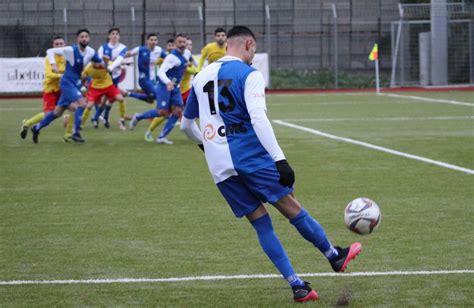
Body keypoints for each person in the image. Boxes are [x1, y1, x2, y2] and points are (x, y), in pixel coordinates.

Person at [180, 26, 361, 302]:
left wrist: (206, 146)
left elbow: (185, 125)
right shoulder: (249, 74)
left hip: (218, 164)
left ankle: (297, 285)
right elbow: (259, 119)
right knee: (290, 205)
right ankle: (334, 256)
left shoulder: (200, 76)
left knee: (261, 224)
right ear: (249, 44)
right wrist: (280, 159)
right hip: (249, 156)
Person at [30, 29, 104, 143]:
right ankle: (76, 132)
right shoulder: (70, 50)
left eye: (86, 36)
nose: (84, 38)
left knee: (57, 112)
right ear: (78, 39)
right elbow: (50, 51)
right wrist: (53, 65)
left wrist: (117, 64)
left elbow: (102, 63)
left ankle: (36, 128)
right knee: (82, 103)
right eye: (81, 36)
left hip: (75, 83)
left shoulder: (91, 52)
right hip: (67, 83)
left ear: (89, 39)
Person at [130, 33, 192, 145]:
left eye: (184, 42)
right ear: (175, 44)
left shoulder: (187, 53)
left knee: (178, 111)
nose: (182, 44)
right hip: (164, 86)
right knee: (162, 112)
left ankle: (162, 137)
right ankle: (139, 116)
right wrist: (168, 82)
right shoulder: (172, 57)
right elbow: (160, 72)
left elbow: (189, 62)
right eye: (180, 42)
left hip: (175, 87)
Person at [144, 38, 197, 142]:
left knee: (184, 111)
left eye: (189, 44)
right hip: (171, 89)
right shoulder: (172, 58)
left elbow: (195, 67)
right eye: (187, 44)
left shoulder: (187, 56)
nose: (188, 46)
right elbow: (159, 67)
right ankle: (149, 130)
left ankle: (164, 135)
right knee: (164, 113)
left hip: (185, 90)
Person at [20, 36, 66, 139]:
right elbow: (50, 74)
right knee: (49, 115)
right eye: (56, 44)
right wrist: (62, 75)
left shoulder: (66, 57)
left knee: (72, 107)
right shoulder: (49, 57)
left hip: (61, 88)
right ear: (53, 46)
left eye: (61, 44)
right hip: (50, 89)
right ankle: (27, 123)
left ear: (65, 45)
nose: (59, 46)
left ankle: (69, 135)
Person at [95, 27, 128, 130]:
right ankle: (98, 117)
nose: (115, 35)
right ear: (109, 36)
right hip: (103, 77)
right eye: (112, 34)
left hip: (115, 76)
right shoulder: (103, 47)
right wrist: (104, 63)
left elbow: (119, 60)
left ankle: (98, 117)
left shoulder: (123, 48)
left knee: (110, 99)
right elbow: (98, 60)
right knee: (102, 99)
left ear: (119, 36)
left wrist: (110, 66)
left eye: (117, 34)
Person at [80, 60, 125, 129]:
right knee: (89, 106)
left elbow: (115, 63)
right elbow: (83, 76)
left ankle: (122, 119)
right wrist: (83, 85)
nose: (97, 64)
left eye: (98, 62)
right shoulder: (88, 68)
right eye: (94, 62)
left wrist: (122, 64)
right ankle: (81, 124)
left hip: (108, 86)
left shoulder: (105, 64)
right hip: (95, 87)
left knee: (121, 99)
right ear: (92, 62)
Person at [125, 33, 166, 104]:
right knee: (158, 96)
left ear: (157, 41)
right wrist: (116, 59)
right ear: (147, 41)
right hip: (144, 79)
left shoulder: (159, 50)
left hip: (153, 80)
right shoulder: (140, 49)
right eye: (151, 40)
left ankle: (127, 93)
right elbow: (128, 54)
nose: (153, 42)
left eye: (155, 40)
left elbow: (168, 58)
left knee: (151, 100)